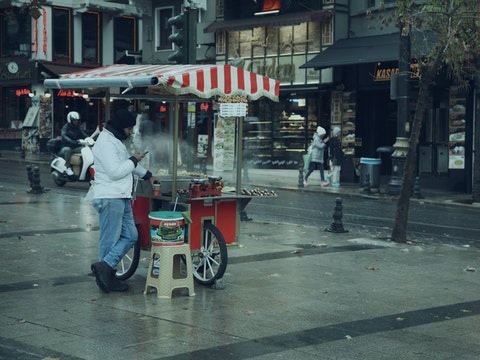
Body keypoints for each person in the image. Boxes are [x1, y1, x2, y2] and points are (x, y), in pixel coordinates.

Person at [90, 109, 160, 293]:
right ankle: (107, 277)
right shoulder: (105, 143)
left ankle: (104, 267)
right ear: (121, 127)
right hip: (110, 196)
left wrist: (148, 175)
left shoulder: (115, 140)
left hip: (122, 196)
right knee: (109, 240)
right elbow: (115, 172)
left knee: (131, 235)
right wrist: (133, 159)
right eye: (129, 128)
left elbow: (126, 165)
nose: (130, 132)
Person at [59, 111, 90, 176]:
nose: (76, 122)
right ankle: (67, 167)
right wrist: (72, 141)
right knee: (68, 150)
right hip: (65, 147)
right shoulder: (66, 127)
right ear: (70, 120)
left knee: (84, 149)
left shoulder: (77, 128)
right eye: (74, 120)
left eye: (77, 120)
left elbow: (83, 134)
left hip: (75, 147)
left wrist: (89, 139)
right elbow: (64, 136)